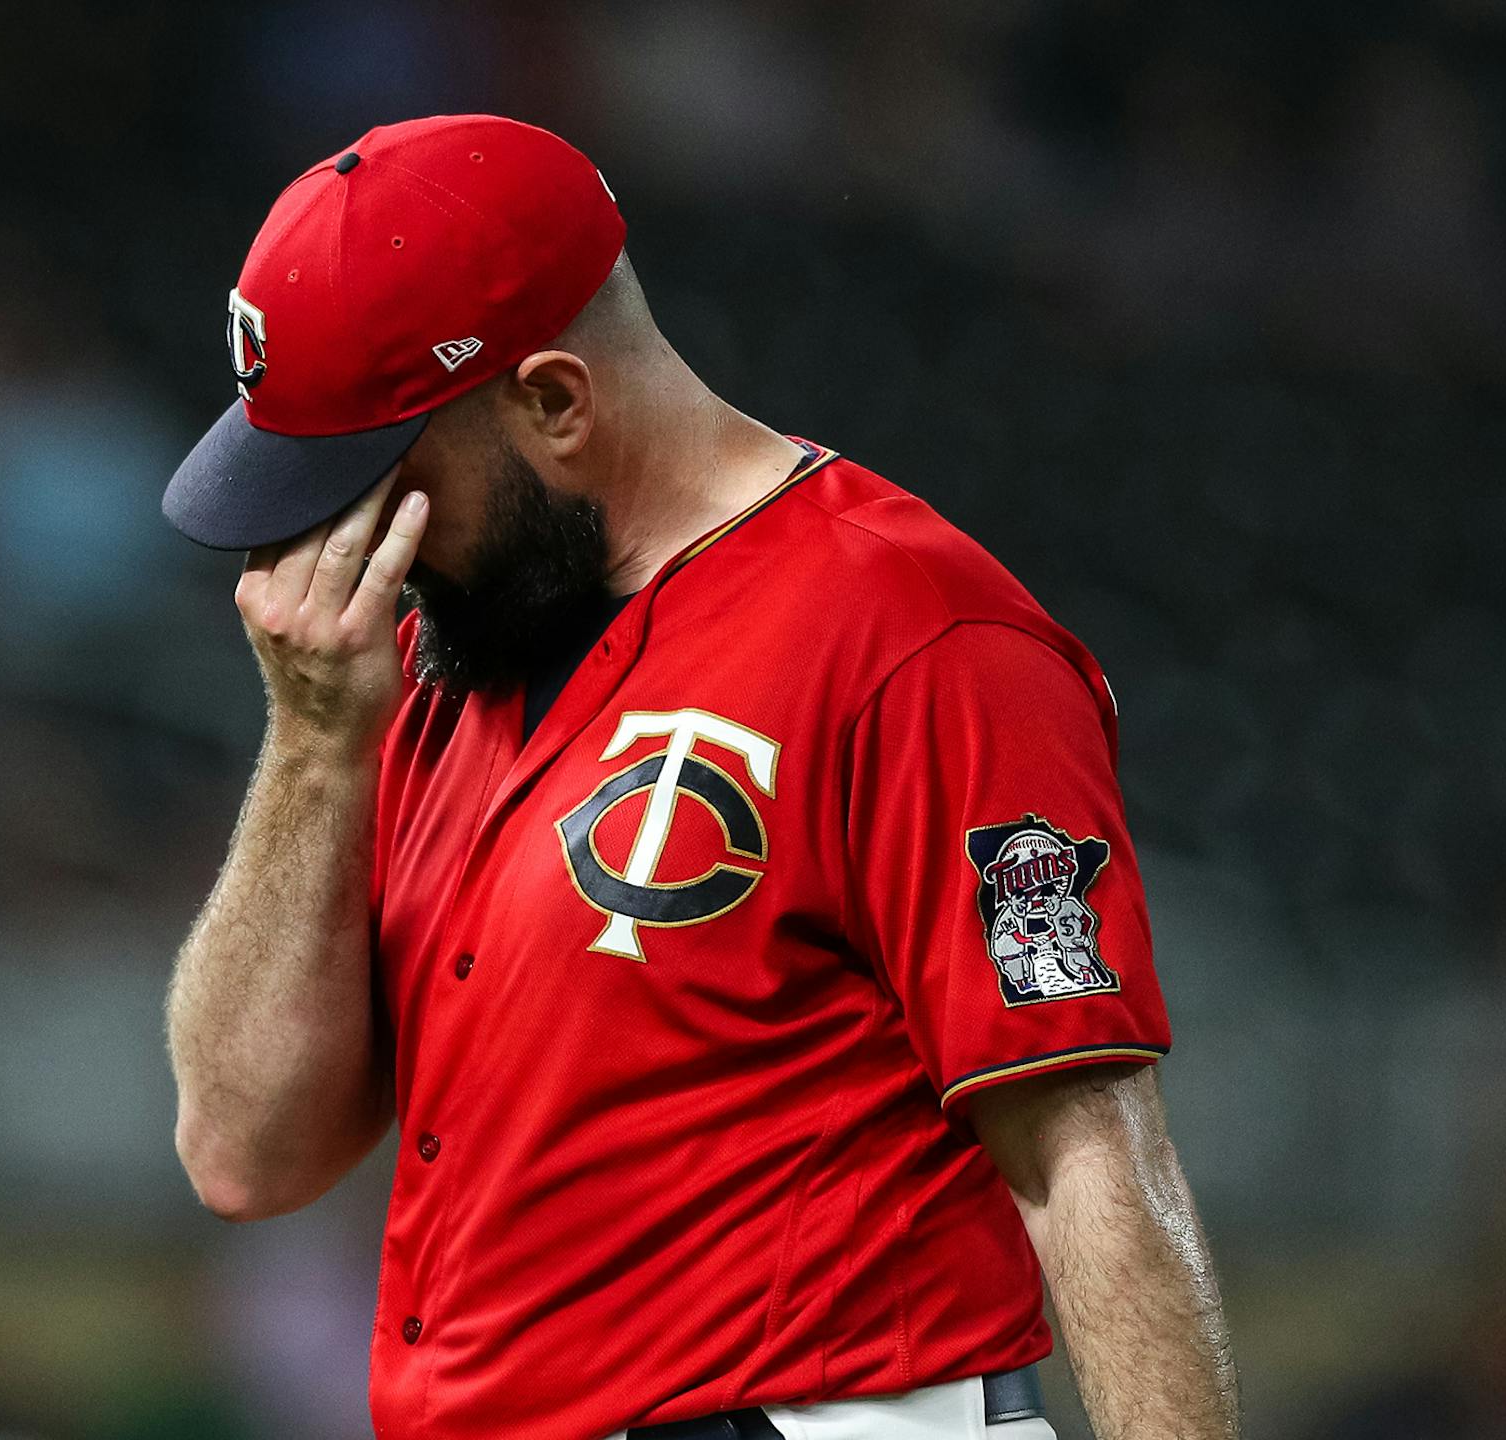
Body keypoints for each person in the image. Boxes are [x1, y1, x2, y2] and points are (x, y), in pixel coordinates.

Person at [160, 114, 1240, 1440]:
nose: (349, 537)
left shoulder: (916, 636)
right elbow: (242, 1151)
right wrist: (316, 750)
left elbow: (1095, 1164)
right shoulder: (433, 657)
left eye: (386, 475)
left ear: (554, 400)